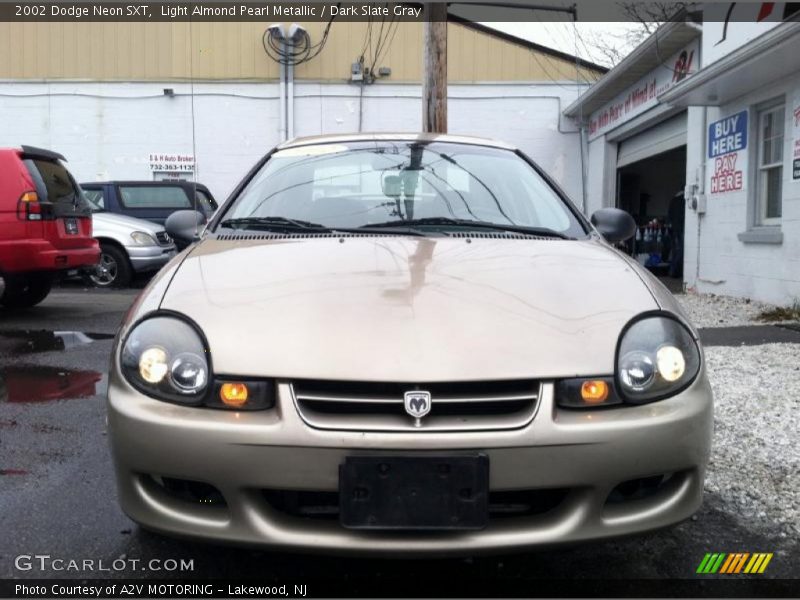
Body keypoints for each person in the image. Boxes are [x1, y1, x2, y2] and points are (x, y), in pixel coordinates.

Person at [668, 190, 685, 278]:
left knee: (675, 251)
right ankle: (675, 272)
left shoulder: (673, 201)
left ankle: (672, 272)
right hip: (681, 229)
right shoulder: (682, 201)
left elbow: (669, 215)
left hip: (674, 229)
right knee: (681, 250)